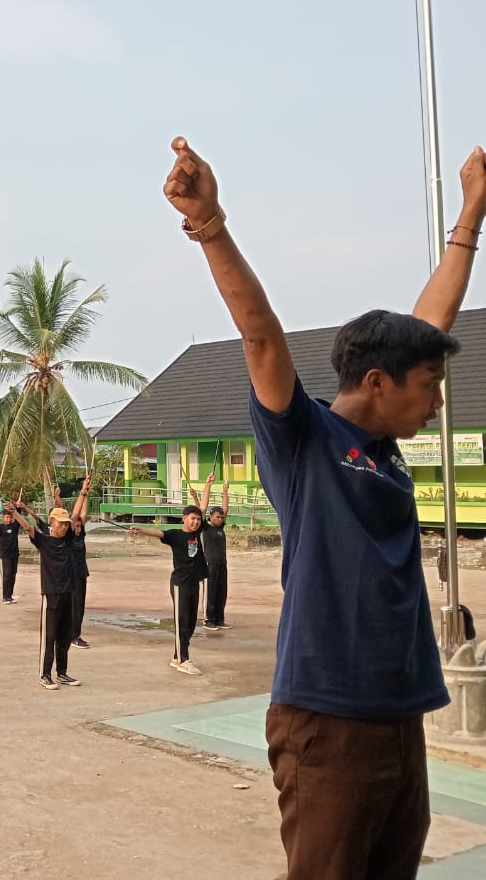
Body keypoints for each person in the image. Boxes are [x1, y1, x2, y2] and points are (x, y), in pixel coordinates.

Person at [163, 137, 486, 877]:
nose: (437, 401)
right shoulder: (304, 438)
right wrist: (210, 225)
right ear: (377, 380)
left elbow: (431, 320)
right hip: (329, 723)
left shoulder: (382, 450)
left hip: (399, 716)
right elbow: (260, 333)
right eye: (428, 385)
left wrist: (471, 210)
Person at [129, 506, 207, 675]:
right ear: (184, 519)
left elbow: (204, 508)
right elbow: (159, 533)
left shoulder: (197, 533)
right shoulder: (175, 535)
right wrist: (141, 530)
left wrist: (207, 486)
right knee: (182, 622)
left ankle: (176, 656)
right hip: (180, 585)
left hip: (194, 583)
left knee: (191, 623)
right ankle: (182, 659)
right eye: (192, 518)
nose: (196, 522)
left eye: (198, 519)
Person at [11, 501, 79, 689]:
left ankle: (62, 673)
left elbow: (76, 514)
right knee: (49, 636)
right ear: (52, 523)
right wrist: (15, 513)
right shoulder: (44, 541)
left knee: (65, 637)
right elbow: (28, 528)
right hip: (51, 594)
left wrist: (83, 492)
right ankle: (45, 674)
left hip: (68, 592)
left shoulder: (67, 540)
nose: (64, 527)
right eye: (61, 523)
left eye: (66, 524)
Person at [192, 474, 231, 631]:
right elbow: (202, 508)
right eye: (217, 517)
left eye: (221, 517)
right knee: (210, 592)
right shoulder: (205, 527)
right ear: (210, 517)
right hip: (210, 564)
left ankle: (219, 619)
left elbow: (226, 508)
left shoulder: (220, 527)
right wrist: (208, 485)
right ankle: (208, 620)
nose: (221, 519)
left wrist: (225, 491)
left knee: (222, 591)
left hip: (222, 563)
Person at [69, 478, 93, 649]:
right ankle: (72, 636)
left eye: (80, 526)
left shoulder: (81, 533)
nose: (78, 528)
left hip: (82, 573)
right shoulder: (68, 536)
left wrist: (87, 495)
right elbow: (76, 515)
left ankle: (76, 634)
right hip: (72, 575)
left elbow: (83, 515)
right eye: (76, 526)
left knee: (80, 606)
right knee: (74, 607)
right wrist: (82, 492)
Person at [0, 505, 22, 604]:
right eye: (7, 517)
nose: (9, 519)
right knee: (6, 575)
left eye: (10, 517)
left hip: (15, 555)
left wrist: (18, 508)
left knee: (13, 575)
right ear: (4, 518)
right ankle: (5, 597)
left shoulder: (15, 526)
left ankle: (10, 595)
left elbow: (19, 517)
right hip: (5, 555)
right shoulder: (0, 527)